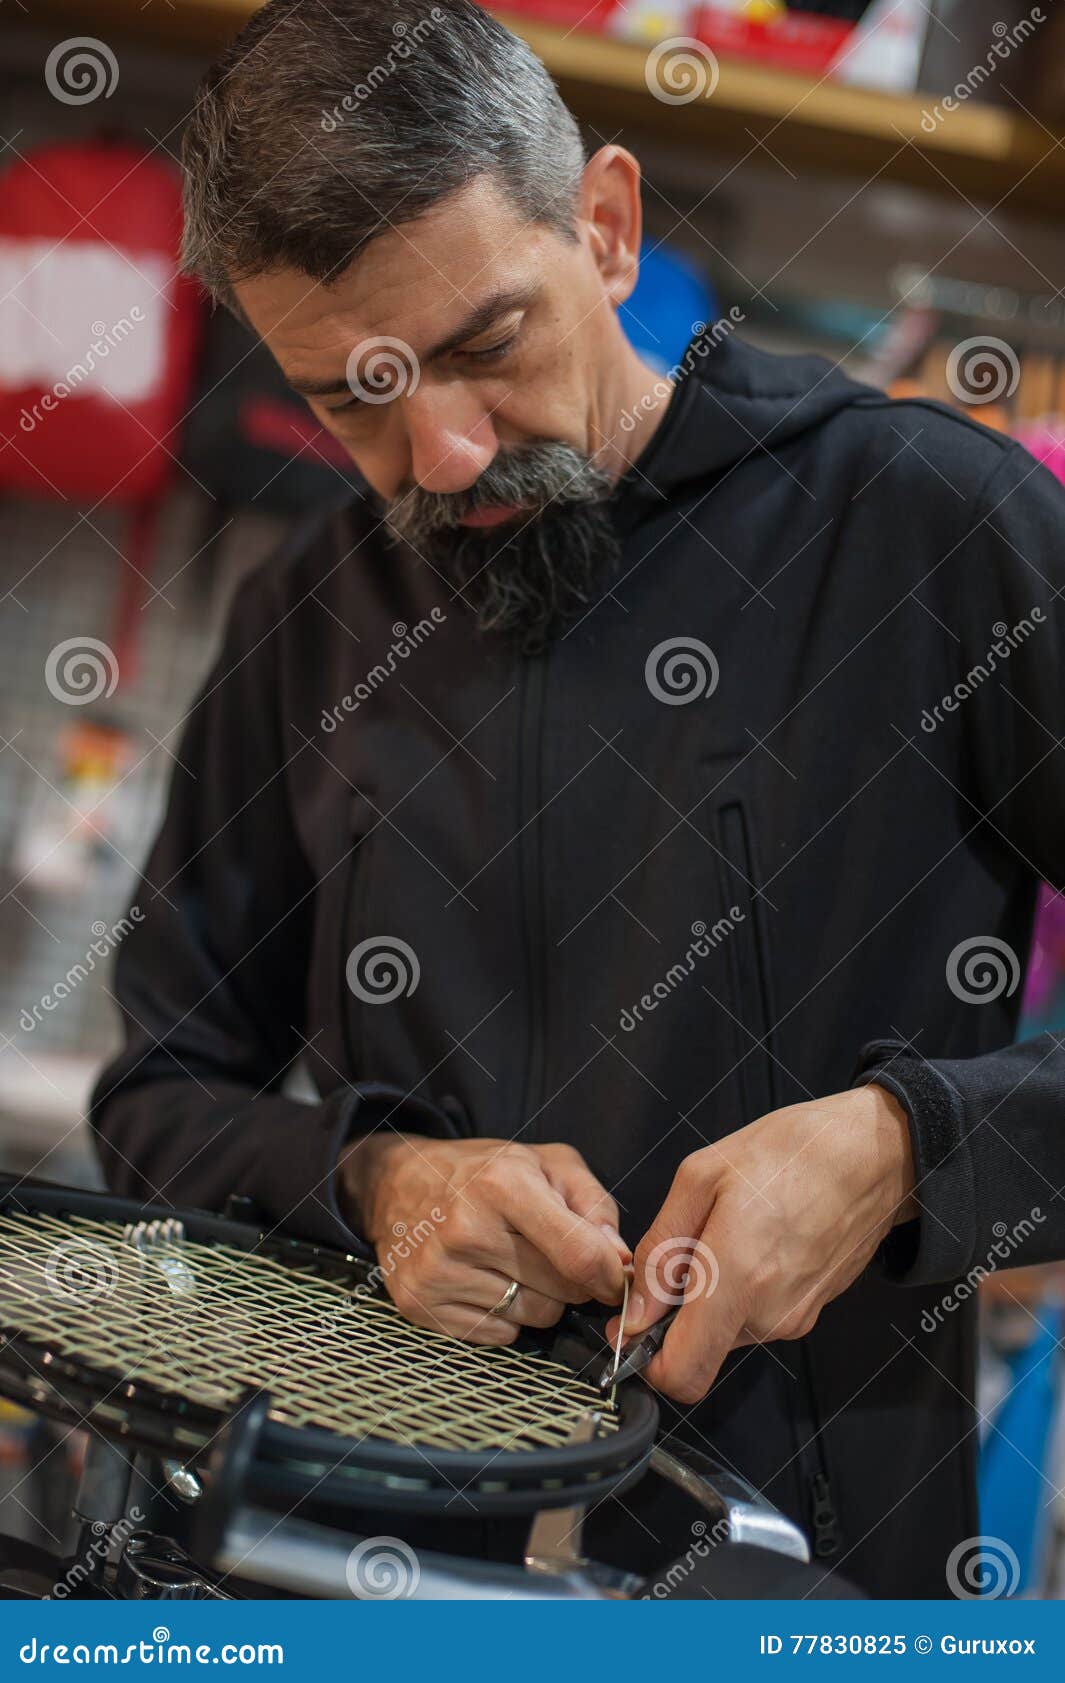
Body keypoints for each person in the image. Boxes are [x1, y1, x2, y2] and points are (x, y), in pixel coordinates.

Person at [91, 0, 1065, 1598]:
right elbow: (159, 1097)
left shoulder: (929, 530)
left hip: (797, 1588)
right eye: (352, 395)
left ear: (605, 227)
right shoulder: (308, 616)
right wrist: (373, 1179)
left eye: (487, 344)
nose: (443, 453)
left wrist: (910, 1145)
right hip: (355, 1574)